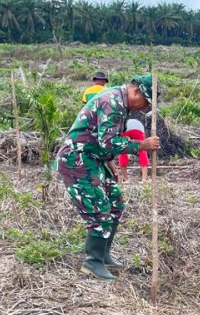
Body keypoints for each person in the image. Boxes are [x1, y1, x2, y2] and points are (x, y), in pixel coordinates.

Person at [56, 75, 161, 281]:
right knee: (99, 209)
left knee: (115, 203)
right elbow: (108, 142)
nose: (144, 107)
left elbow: (101, 137)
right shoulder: (112, 102)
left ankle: (103, 254)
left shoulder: (120, 103)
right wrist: (141, 145)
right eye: (145, 101)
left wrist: (109, 162)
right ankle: (92, 262)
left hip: (95, 159)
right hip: (78, 159)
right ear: (136, 92)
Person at [117, 118, 150, 183]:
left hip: (125, 128)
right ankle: (144, 179)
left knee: (122, 150)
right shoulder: (139, 125)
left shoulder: (125, 122)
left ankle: (125, 178)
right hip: (139, 129)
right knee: (142, 150)